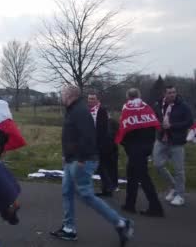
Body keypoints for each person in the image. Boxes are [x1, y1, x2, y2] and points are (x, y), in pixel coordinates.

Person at [50, 85, 133, 245]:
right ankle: (69, 229)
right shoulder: (72, 109)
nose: (60, 96)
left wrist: (81, 159)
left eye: (62, 93)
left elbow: (88, 136)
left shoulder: (80, 111)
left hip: (81, 160)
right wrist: (65, 155)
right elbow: (70, 136)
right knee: (67, 192)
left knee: (86, 194)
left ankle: (122, 223)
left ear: (70, 95)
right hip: (71, 159)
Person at [115, 88, 164, 217]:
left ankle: (156, 207)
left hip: (135, 147)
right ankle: (130, 204)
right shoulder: (147, 107)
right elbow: (154, 125)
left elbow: (124, 129)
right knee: (131, 174)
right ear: (139, 95)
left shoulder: (127, 109)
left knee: (143, 177)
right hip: (146, 145)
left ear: (128, 97)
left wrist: (126, 145)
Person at [153, 85, 194, 207]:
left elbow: (190, 122)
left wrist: (172, 126)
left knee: (179, 170)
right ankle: (174, 186)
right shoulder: (159, 105)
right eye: (169, 93)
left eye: (174, 92)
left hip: (176, 141)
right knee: (157, 164)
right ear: (164, 94)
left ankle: (180, 195)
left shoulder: (183, 106)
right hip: (161, 139)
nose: (172, 95)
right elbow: (154, 117)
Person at [87, 93, 118, 197]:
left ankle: (108, 187)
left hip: (103, 143)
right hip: (95, 142)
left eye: (92, 99)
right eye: (89, 99)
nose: (90, 101)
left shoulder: (101, 110)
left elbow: (103, 129)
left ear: (97, 100)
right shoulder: (89, 111)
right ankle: (107, 188)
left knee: (102, 166)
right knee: (101, 166)